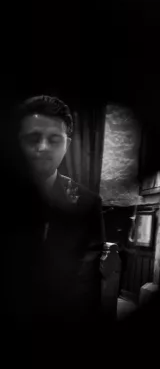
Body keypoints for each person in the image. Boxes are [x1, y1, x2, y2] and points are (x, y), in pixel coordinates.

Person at [17, 95, 105, 323]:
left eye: (54, 139)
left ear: (67, 144)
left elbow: (87, 283)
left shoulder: (87, 203)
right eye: (33, 138)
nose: (43, 148)